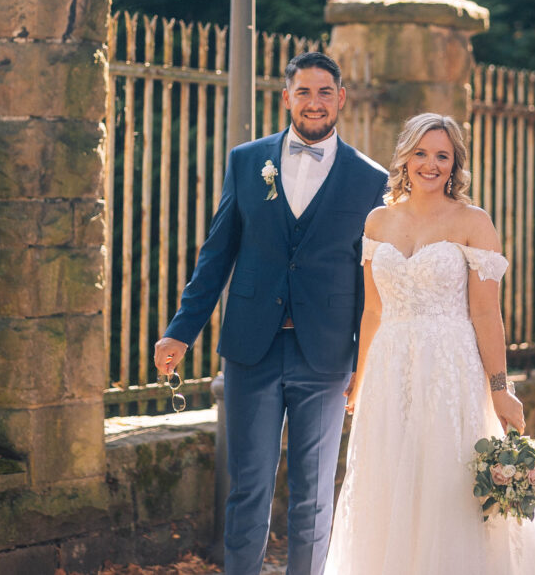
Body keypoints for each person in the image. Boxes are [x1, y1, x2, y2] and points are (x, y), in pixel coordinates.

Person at [153, 51, 388, 575]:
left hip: (326, 356)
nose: (313, 102)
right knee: (249, 487)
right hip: (250, 350)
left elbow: (372, 284)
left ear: (341, 98)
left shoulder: (371, 181)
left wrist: (364, 362)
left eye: (324, 91)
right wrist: (180, 331)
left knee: (312, 496)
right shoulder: (246, 160)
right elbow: (217, 254)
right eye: (303, 91)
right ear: (285, 98)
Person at [325, 113, 535, 574]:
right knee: (386, 484)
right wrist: (359, 377)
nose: (430, 164)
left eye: (442, 156)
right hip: (390, 371)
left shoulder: (473, 221)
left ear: (455, 165)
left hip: (451, 369)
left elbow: (486, 313)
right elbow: (372, 311)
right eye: (421, 153)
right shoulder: (378, 220)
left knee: (450, 484)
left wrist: (500, 388)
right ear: (405, 157)